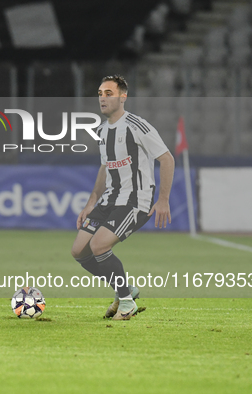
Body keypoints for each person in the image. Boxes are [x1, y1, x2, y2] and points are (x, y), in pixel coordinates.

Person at [70, 75, 174, 320]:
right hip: (109, 200)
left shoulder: (137, 126)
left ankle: (127, 304)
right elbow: (105, 168)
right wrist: (91, 202)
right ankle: (125, 290)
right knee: (79, 252)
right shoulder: (103, 131)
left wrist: (163, 199)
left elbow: (166, 158)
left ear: (123, 96)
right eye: (100, 94)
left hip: (135, 201)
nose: (102, 98)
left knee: (99, 245)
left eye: (108, 93)